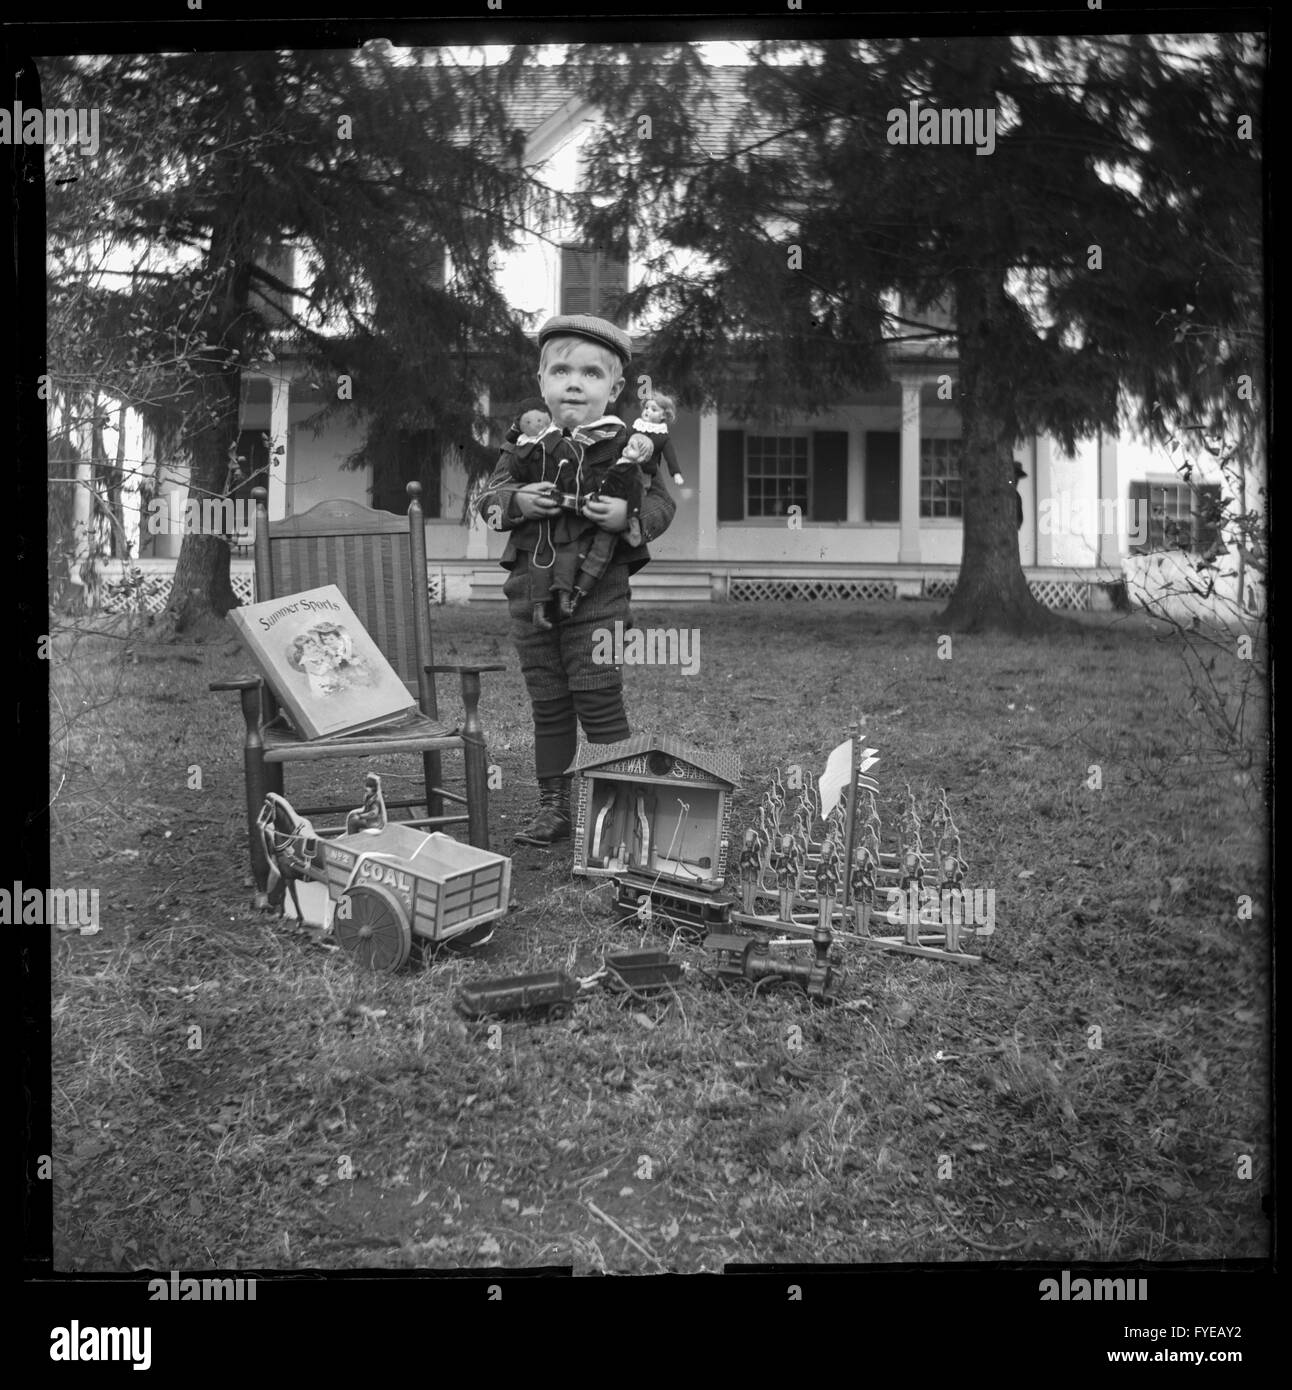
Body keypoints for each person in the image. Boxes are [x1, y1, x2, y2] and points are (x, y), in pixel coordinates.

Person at [475, 313, 677, 846]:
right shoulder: (523, 445)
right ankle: (554, 806)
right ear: (541, 382)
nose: (574, 382)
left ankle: (621, 806)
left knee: (598, 696)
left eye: (591, 373)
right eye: (561, 370)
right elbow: (489, 502)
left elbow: (660, 502)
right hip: (531, 590)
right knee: (549, 701)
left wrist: (626, 519)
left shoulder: (628, 444)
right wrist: (515, 501)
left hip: (599, 592)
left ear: (614, 389)